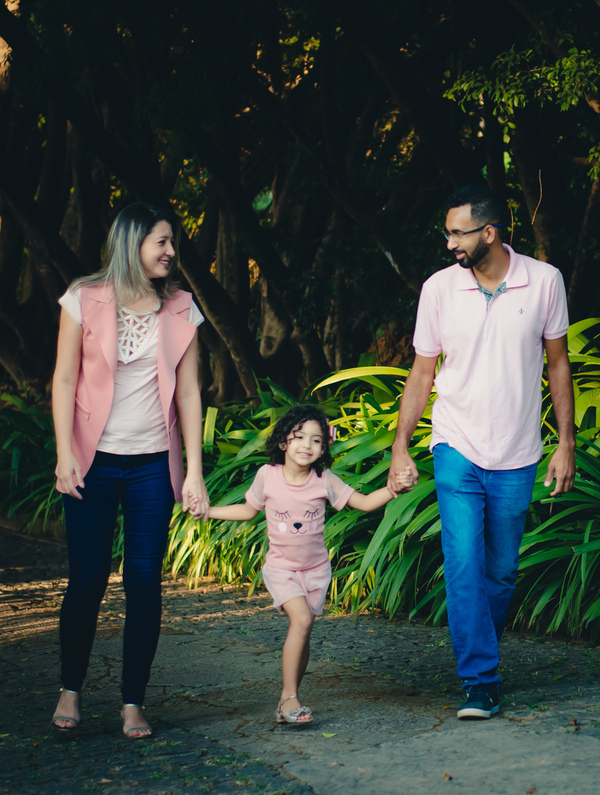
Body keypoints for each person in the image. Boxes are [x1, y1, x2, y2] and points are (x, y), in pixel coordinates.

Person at [388, 185, 576, 720]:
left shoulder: (543, 281)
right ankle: (481, 680)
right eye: (447, 233)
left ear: (488, 232)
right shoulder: (439, 290)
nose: (450, 243)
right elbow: (422, 371)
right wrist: (401, 445)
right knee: (464, 561)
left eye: (457, 233)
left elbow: (558, 364)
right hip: (456, 443)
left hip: (518, 450)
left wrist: (566, 443)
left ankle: (479, 653)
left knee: (500, 572)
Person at [49, 203, 209, 739]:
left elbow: (189, 393)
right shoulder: (84, 298)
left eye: (171, 242)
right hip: (92, 462)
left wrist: (193, 473)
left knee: (144, 581)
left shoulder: (182, 307)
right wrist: (63, 453)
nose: (170, 251)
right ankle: (70, 689)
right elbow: (64, 381)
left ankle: (132, 703)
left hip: (150, 465)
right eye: (161, 241)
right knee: (88, 578)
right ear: (131, 244)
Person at [205, 405, 398, 724]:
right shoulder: (267, 475)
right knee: (303, 620)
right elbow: (246, 511)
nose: (306, 445)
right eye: (298, 437)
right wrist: (208, 511)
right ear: (283, 442)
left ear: (324, 448)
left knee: (304, 629)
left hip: (316, 570)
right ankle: (289, 699)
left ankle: (288, 699)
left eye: (316, 440)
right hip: (281, 568)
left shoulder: (324, 480)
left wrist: (392, 490)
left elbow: (362, 504)